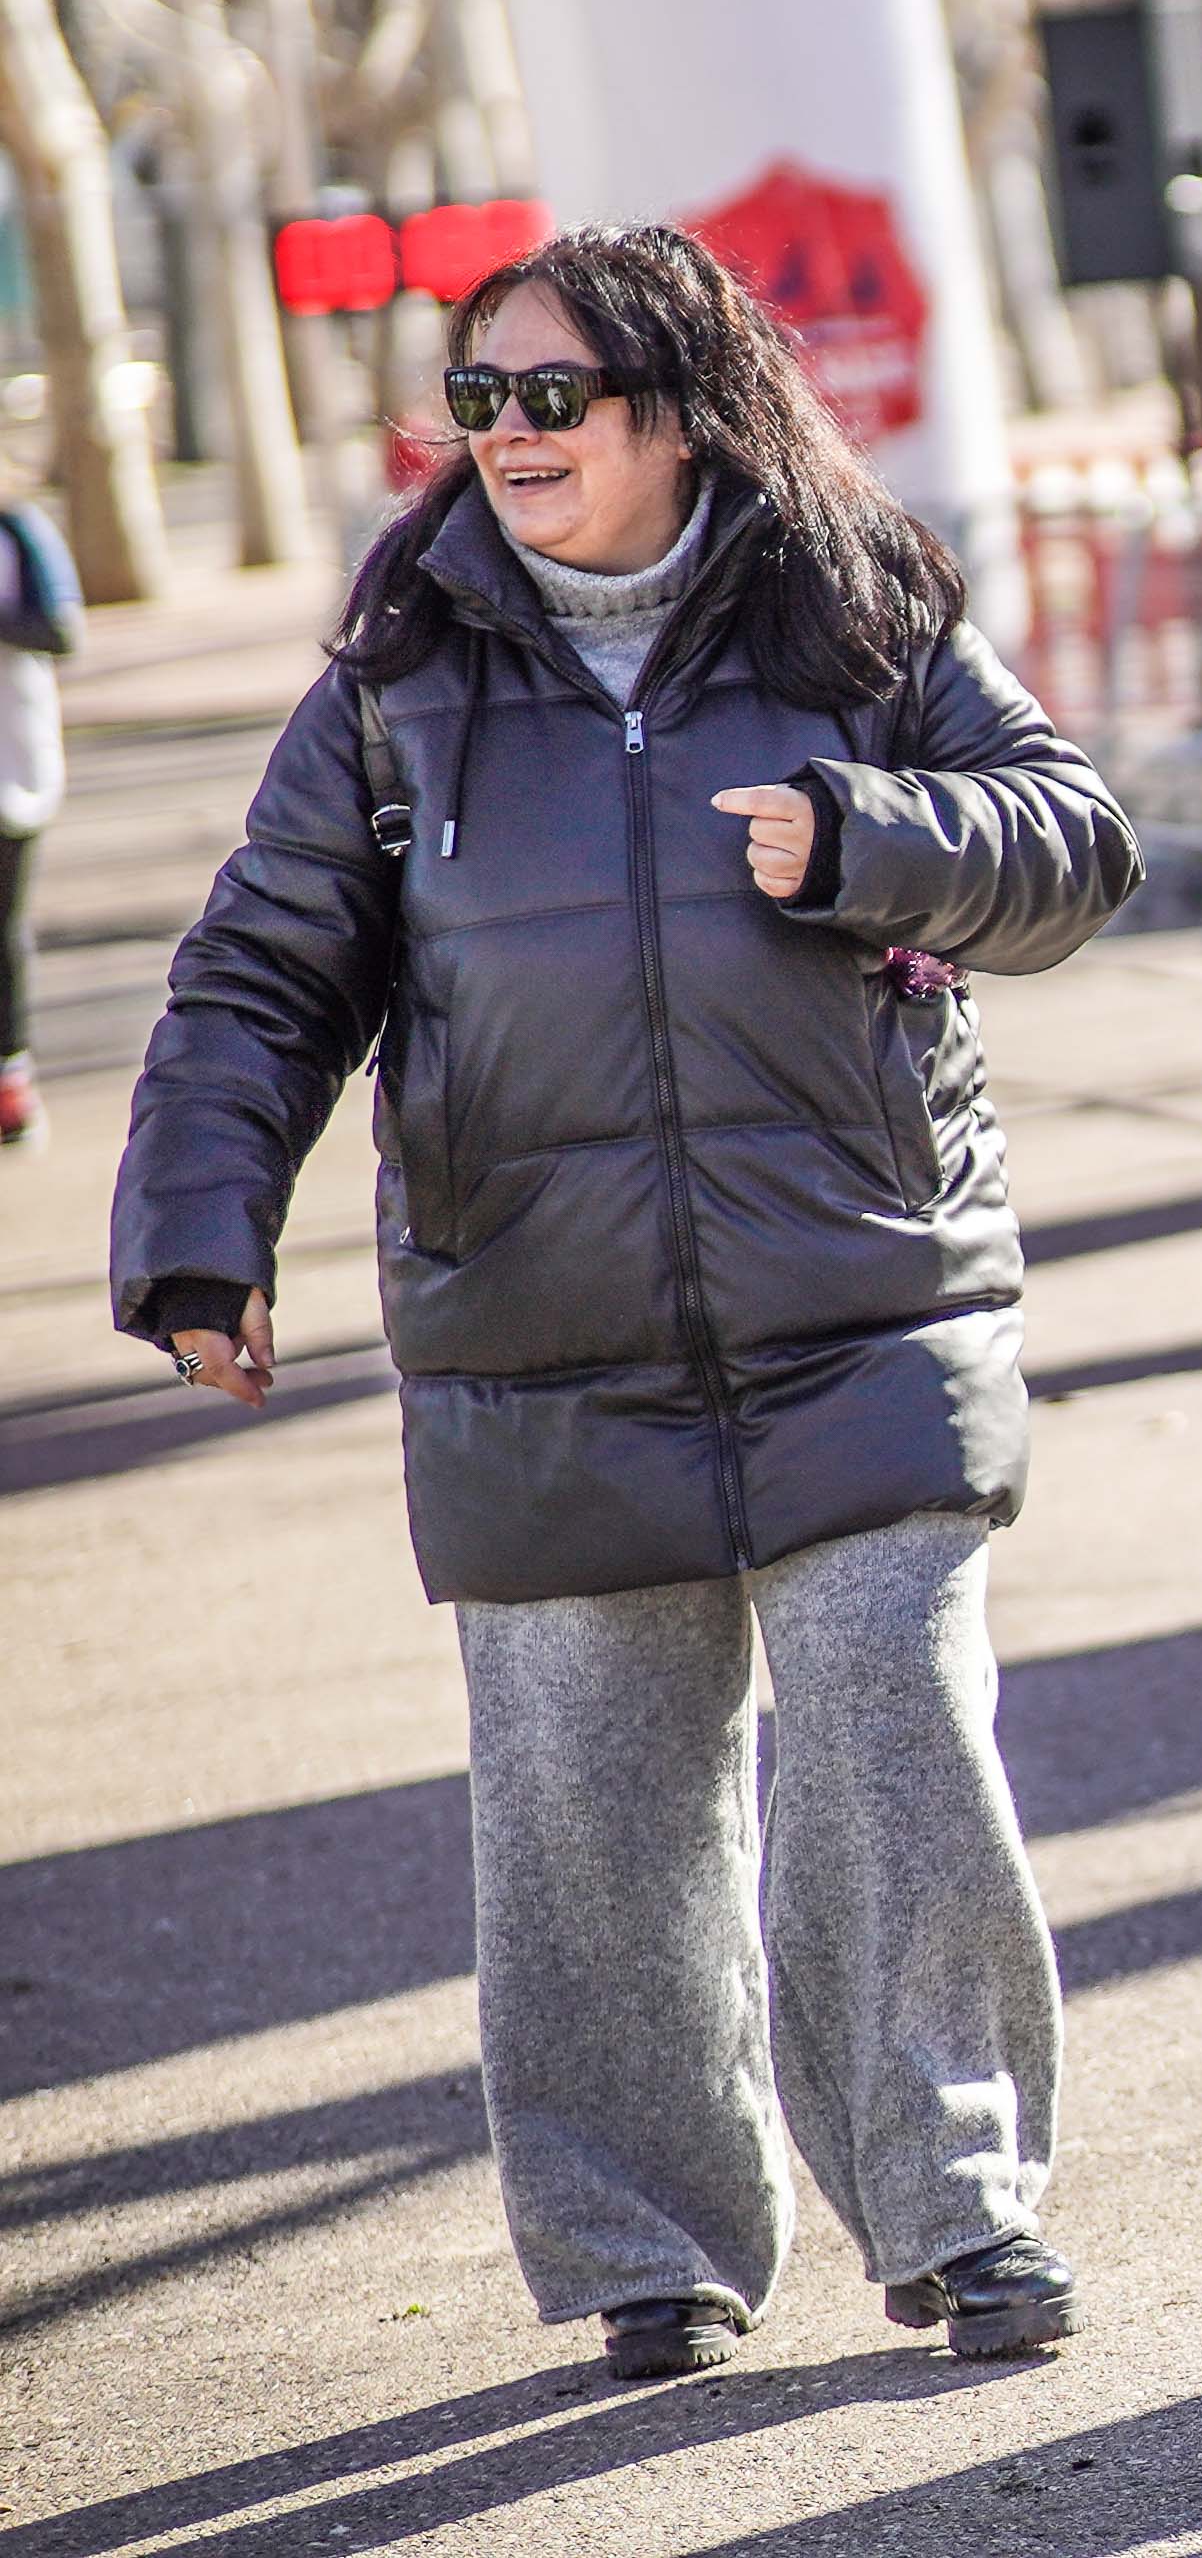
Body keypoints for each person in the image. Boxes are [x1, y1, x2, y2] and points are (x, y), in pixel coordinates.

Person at [112, 225, 1142, 2384]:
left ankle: (963, 2206)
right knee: (594, 1821)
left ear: (682, 408)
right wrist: (199, 1230)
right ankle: (647, 2245)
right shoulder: (402, 671)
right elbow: (263, 972)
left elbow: (1072, 843)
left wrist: (873, 838)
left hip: (863, 1298)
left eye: (555, 394)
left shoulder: (857, 613)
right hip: (540, 1334)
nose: (508, 434)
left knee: (898, 1747)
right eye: (478, 396)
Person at [0, 479, 73, 1145]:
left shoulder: (18, 528)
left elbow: (62, 626)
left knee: (3, 924)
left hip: (10, 764)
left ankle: (11, 1080)